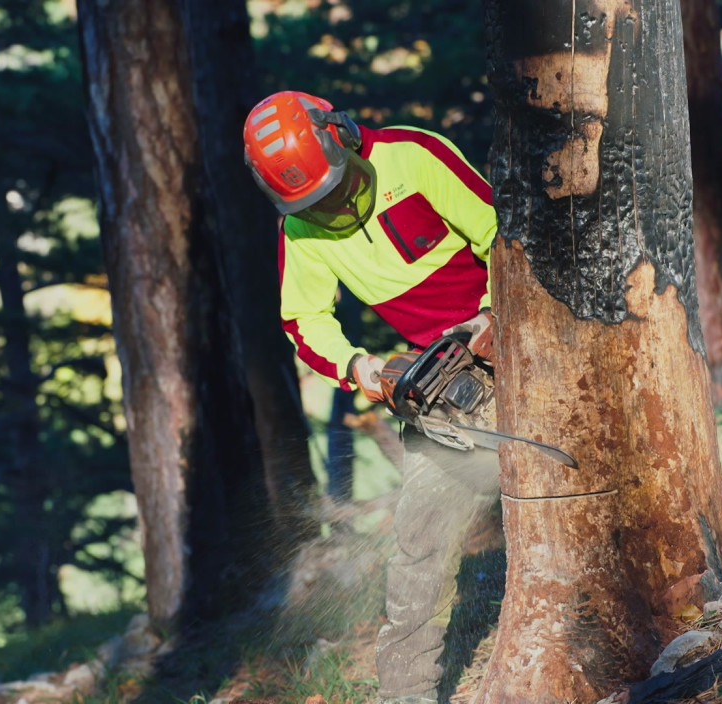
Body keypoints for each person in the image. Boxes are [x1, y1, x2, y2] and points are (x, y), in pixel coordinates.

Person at [243, 90, 500, 704]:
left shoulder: (411, 156)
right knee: (419, 535)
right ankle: (406, 692)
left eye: (337, 190)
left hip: (515, 321)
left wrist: (499, 314)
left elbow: (502, 230)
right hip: (442, 366)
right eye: (316, 203)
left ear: (346, 137)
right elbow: (304, 318)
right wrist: (362, 368)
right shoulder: (299, 229)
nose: (333, 209)